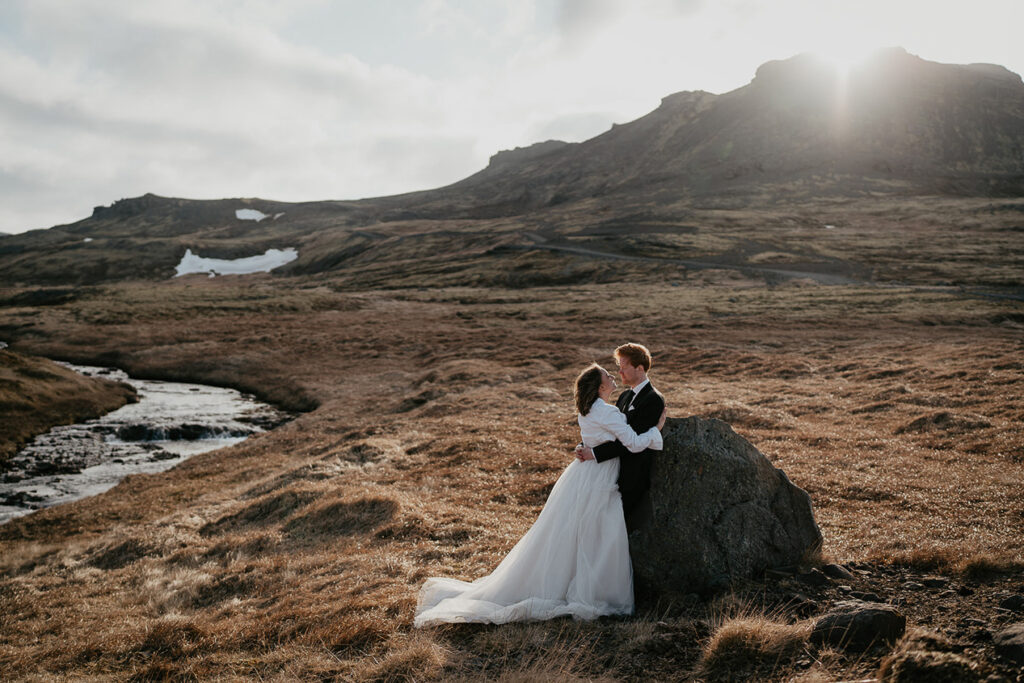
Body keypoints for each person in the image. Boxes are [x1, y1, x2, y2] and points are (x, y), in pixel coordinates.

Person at [413, 363, 667, 627]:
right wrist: (656, 429)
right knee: (597, 532)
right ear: (600, 386)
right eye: (607, 375)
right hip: (599, 477)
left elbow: (595, 439)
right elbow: (634, 444)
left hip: (584, 474)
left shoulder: (589, 409)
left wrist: (589, 449)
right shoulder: (609, 411)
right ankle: (593, 592)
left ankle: (567, 581)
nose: (613, 376)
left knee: (572, 531)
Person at [575, 343, 664, 531]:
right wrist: (586, 445)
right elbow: (611, 432)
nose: (620, 372)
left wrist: (595, 453)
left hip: (632, 477)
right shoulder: (624, 396)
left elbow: (629, 443)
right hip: (612, 475)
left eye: (623, 367)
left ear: (639, 368)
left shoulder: (653, 399)